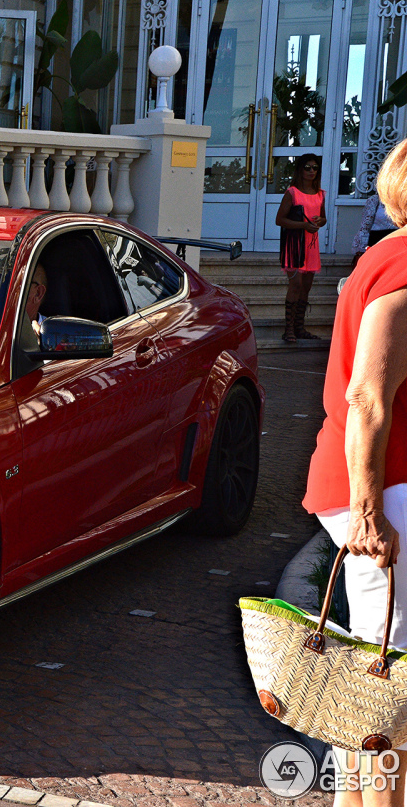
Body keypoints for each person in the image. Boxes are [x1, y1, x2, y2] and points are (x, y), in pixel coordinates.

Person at [303, 138, 407, 806]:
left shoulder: (385, 256)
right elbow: (368, 396)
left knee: (378, 677)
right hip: (385, 494)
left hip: (377, 490)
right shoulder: (402, 269)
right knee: (388, 683)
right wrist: (369, 513)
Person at [276, 154, 327, 342]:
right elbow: (279, 220)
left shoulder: (321, 193)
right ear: (300, 169)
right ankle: (288, 329)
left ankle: (299, 327)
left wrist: (320, 221)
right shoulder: (292, 192)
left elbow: (323, 217)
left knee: (306, 287)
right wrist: (304, 226)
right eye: (307, 167)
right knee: (295, 285)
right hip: (295, 245)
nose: (311, 171)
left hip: (312, 245)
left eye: (315, 167)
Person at [354, 193, 397, 264]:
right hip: (377, 240)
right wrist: (360, 249)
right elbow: (365, 226)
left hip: (396, 241)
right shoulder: (375, 200)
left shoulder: (402, 200)